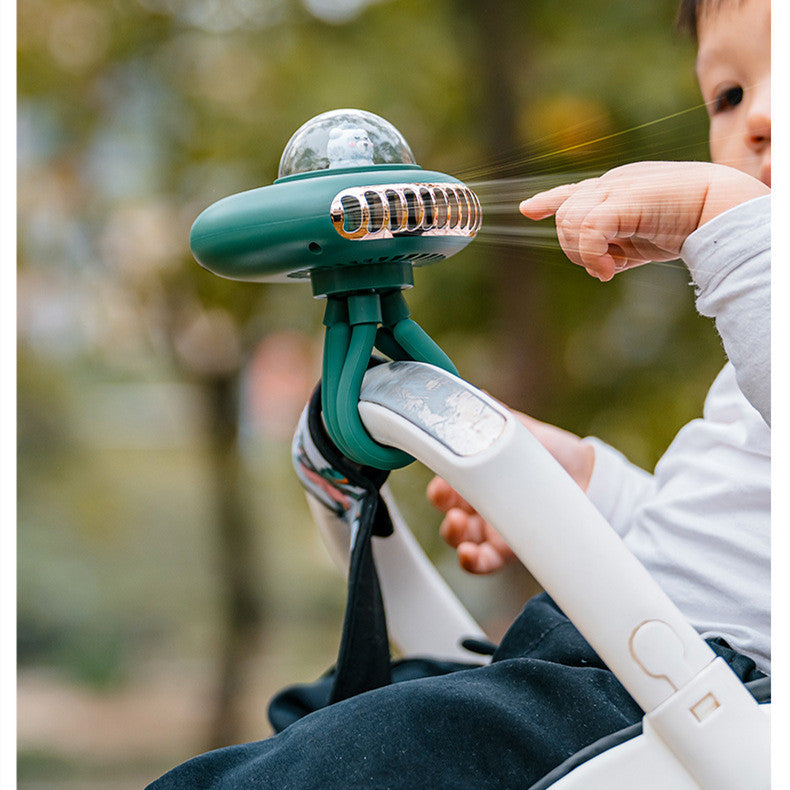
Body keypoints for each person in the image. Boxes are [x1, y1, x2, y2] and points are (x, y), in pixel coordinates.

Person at [148, 0, 770, 786]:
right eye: (729, 94)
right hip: (628, 670)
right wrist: (582, 484)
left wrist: (730, 224)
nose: (761, 119)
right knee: (316, 724)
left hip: (694, 702)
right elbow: (732, 553)